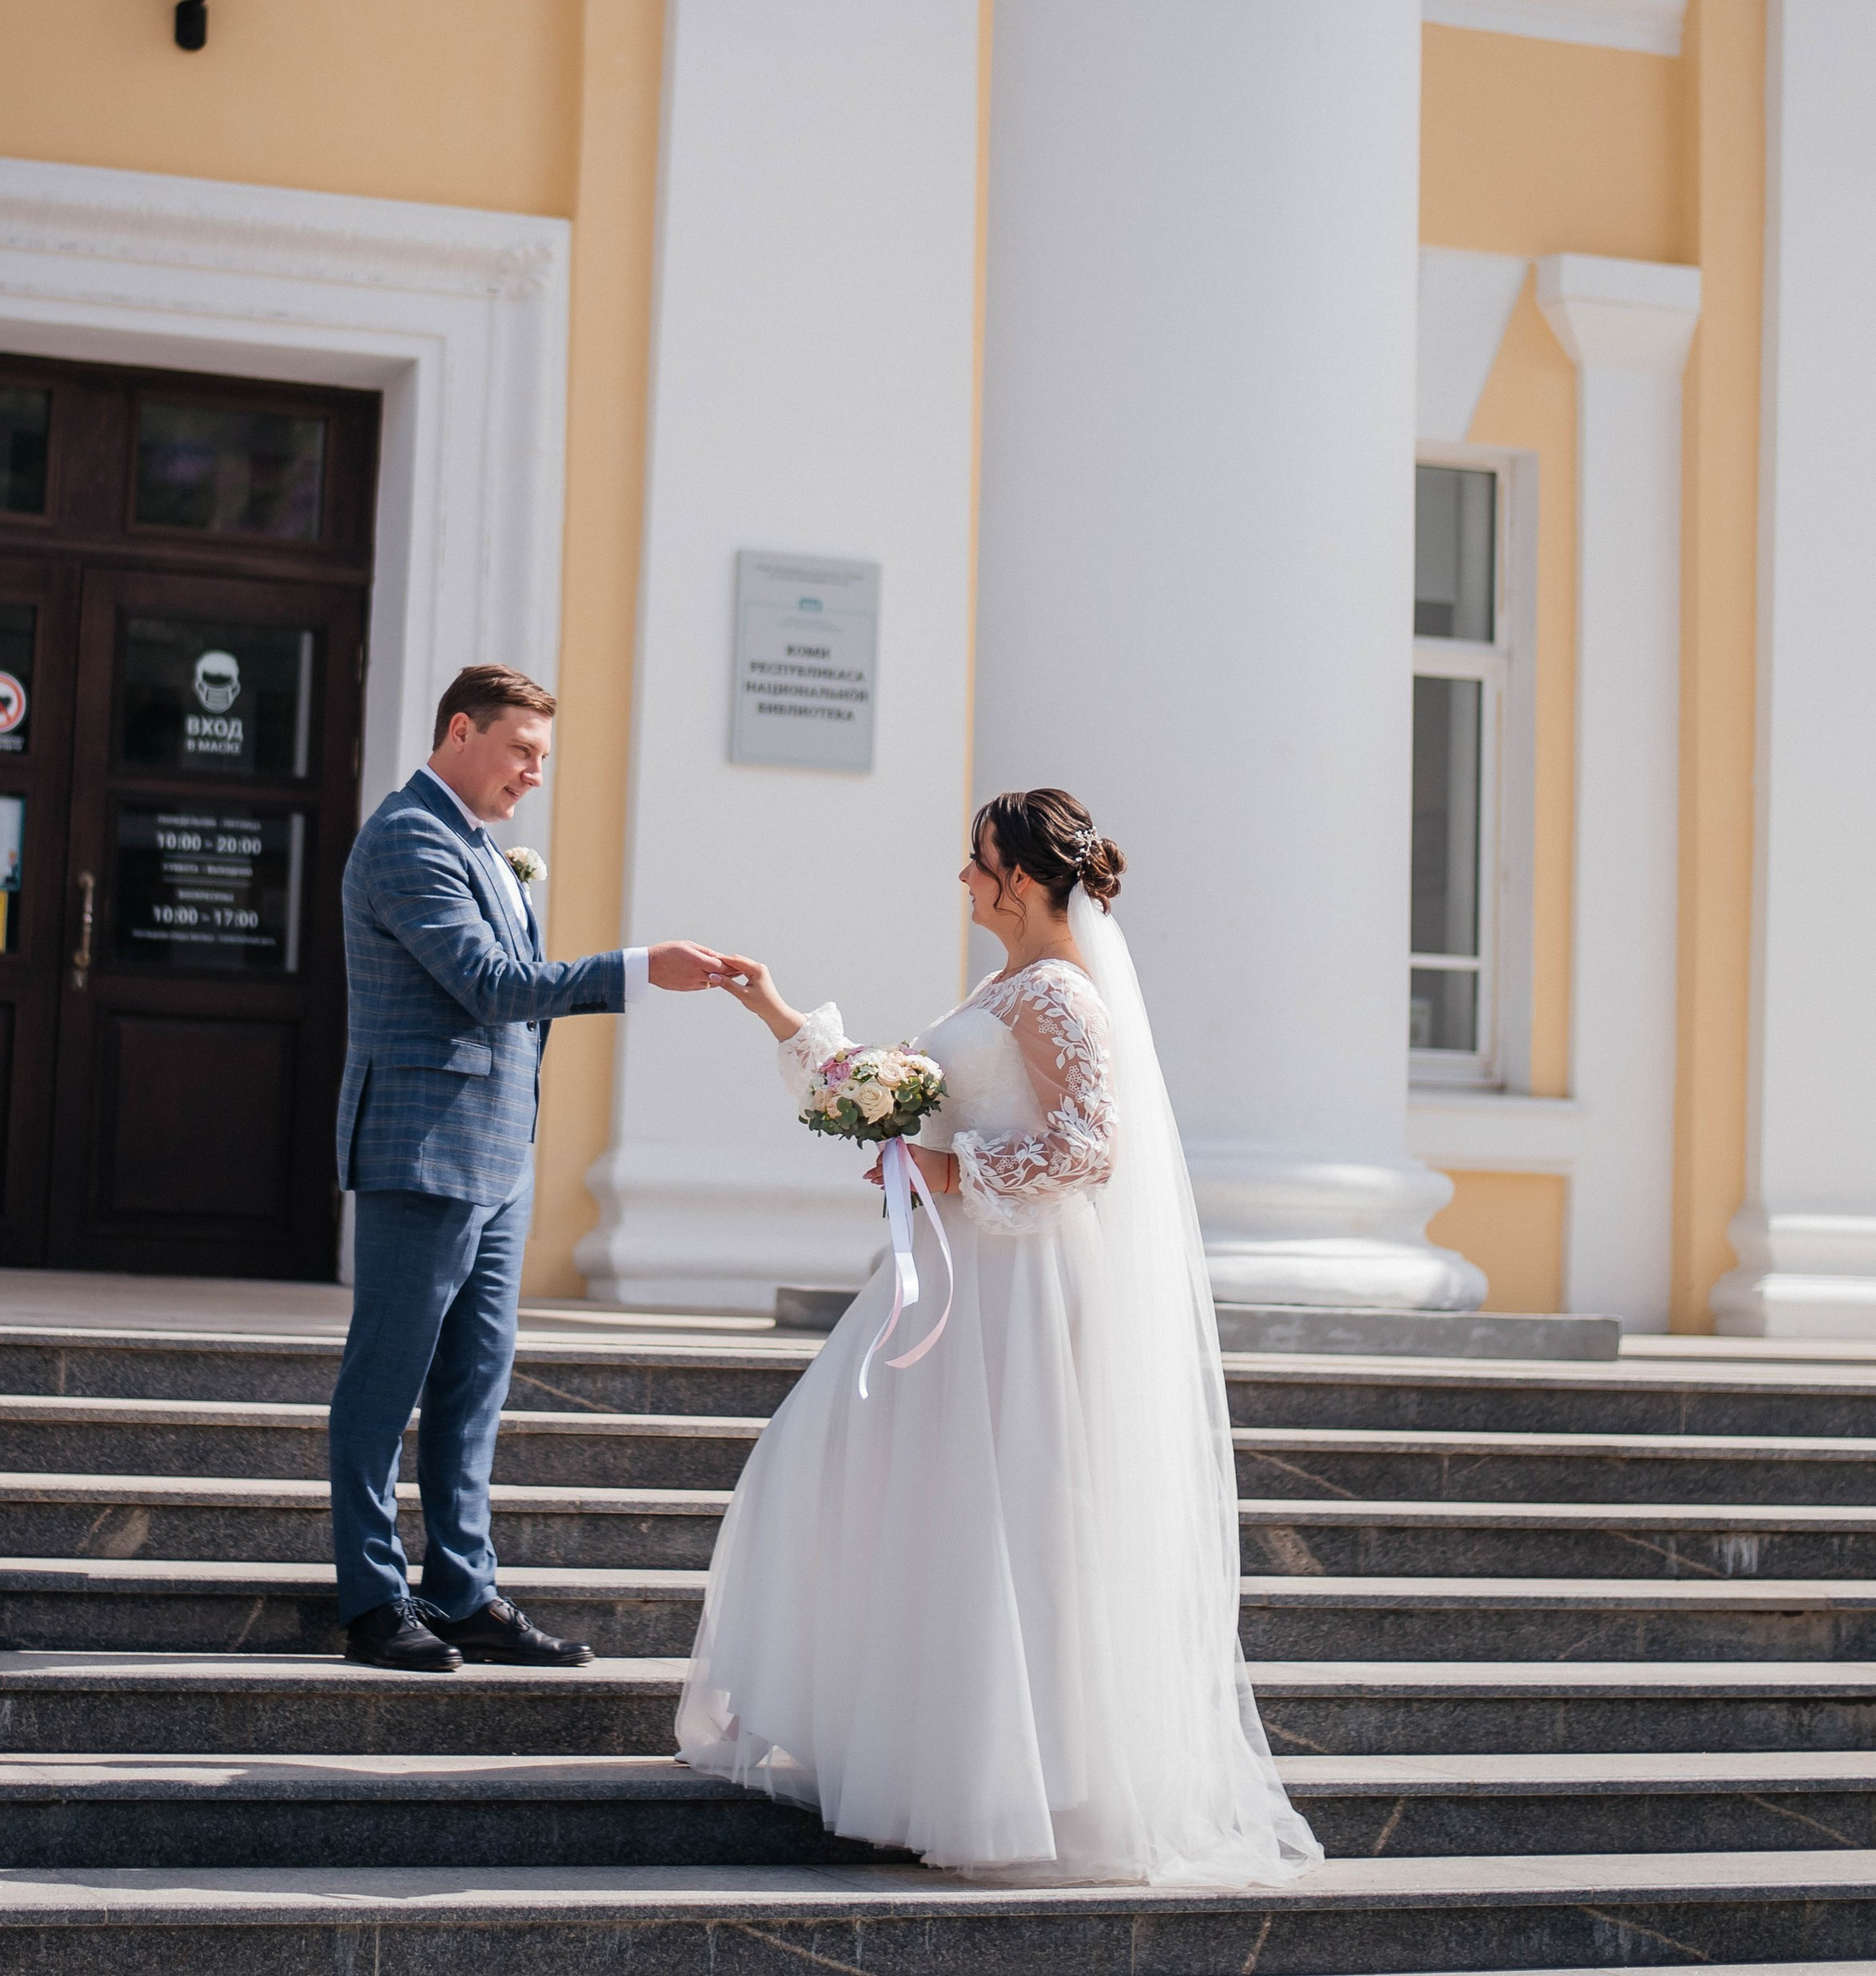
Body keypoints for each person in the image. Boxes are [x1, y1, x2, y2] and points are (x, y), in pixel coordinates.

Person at [686, 788, 1321, 1885]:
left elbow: (1088, 1146)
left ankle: (1002, 1778)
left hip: (1014, 1285)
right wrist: (779, 1012)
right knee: (870, 1478)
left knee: (995, 1514)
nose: (964, 878)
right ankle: (908, 1750)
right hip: (954, 1275)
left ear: (1020, 877)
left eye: (975, 860)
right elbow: (902, 1090)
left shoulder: (1061, 993)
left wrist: (945, 1172)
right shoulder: (1004, 985)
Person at [328, 663, 724, 1673]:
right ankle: (372, 1601)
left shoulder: (478, 844)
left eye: (542, 757)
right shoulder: (410, 836)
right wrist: (637, 968)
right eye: (521, 751)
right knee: (387, 1379)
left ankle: (462, 1590)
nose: (534, 775)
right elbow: (488, 984)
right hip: (422, 1149)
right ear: (460, 731)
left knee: (474, 1383)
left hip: (497, 1153)